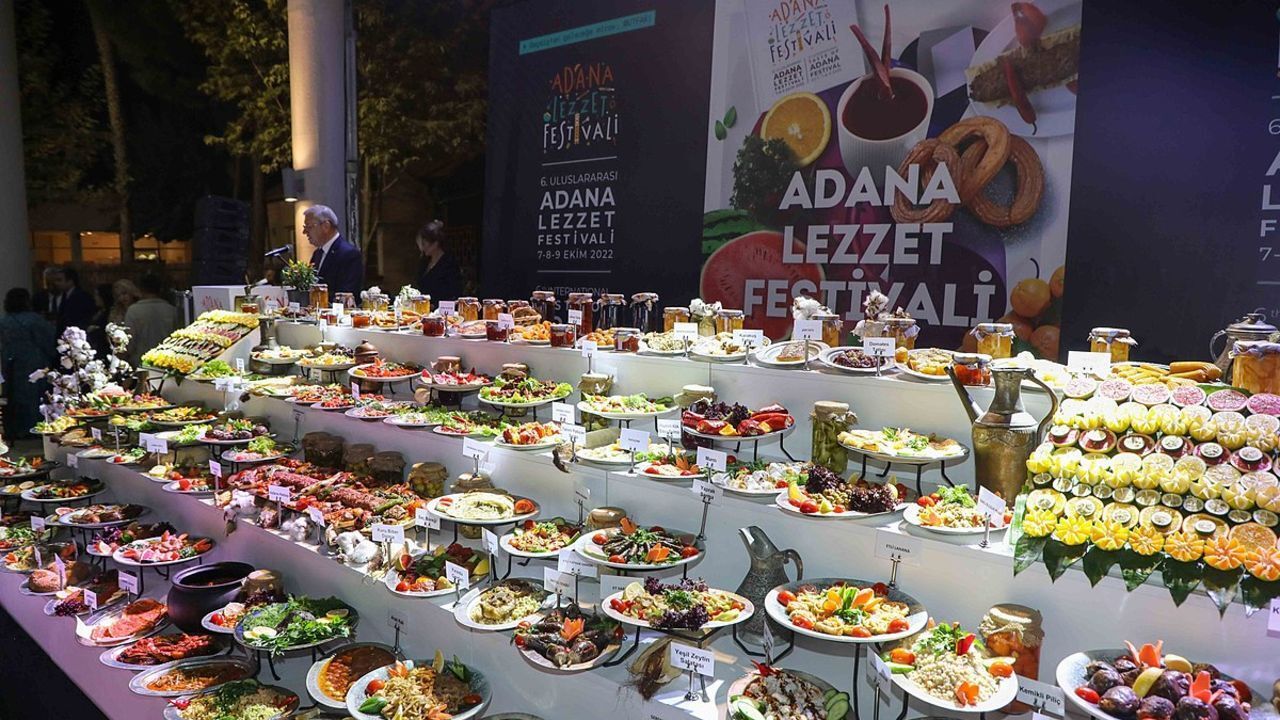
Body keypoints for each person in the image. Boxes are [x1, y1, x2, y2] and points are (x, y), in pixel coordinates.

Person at [0, 288, 57, 438]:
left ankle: (16, 429)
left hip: (10, 363)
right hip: (33, 362)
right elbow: (49, 340)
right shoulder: (35, 320)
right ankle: (34, 429)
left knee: (14, 397)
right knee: (34, 397)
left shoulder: (4, 321)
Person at [302, 204, 363, 297]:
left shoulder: (349, 254)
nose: (304, 232)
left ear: (326, 226)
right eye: (305, 227)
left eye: (309, 227)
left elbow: (347, 293)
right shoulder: (317, 254)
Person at [123, 273, 178, 367]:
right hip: (167, 362)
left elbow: (129, 342)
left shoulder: (133, 311)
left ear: (139, 289)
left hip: (141, 363)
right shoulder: (171, 310)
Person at [414, 219, 462, 302]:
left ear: (435, 244)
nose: (422, 248)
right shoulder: (424, 261)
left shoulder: (449, 264)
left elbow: (453, 294)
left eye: (424, 244)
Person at [50, 265, 97, 333]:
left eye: (59, 280)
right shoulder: (64, 295)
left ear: (70, 281)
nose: (56, 283)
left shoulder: (82, 297)